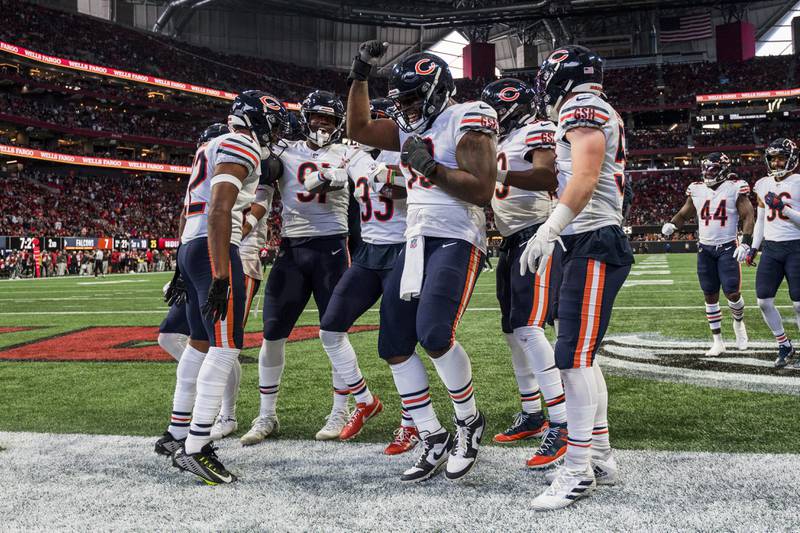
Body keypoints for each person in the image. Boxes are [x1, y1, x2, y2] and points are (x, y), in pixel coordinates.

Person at [346, 42, 497, 482]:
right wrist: (360, 72)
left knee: (434, 332)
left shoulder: (467, 116)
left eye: (414, 98)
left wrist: (431, 170)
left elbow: (482, 189)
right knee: (393, 344)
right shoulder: (403, 128)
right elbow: (357, 127)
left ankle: (468, 421)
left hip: (455, 235)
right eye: (402, 101)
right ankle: (431, 434)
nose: (407, 109)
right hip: (412, 240)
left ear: (437, 91)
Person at [520, 45, 634, 509]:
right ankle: (600, 455)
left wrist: (550, 228)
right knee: (583, 354)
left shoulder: (580, 106)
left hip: (592, 238)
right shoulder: (593, 106)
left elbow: (584, 177)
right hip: (588, 238)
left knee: (572, 356)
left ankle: (578, 468)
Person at [155, 91, 287, 485]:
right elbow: (218, 209)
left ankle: (176, 434)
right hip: (214, 245)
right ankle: (196, 446)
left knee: (198, 340)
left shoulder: (211, 144)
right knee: (225, 345)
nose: (274, 132)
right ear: (257, 119)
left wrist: (182, 265)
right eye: (273, 122)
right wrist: (219, 273)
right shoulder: (240, 143)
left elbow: (187, 210)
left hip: (192, 245)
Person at [240, 90, 354, 446]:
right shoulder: (284, 150)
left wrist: (339, 176)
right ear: (305, 119)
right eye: (317, 117)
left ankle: (340, 411)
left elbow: (367, 178)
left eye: (330, 119)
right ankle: (266, 415)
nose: (323, 125)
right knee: (272, 333)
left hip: (333, 247)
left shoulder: (350, 150)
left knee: (335, 335)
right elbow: (262, 173)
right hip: (292, 249)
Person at [315, 97, 418, 454]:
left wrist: (375, 173)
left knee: (400, 343)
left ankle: (411, 421)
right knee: (330, 329)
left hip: (402, 249)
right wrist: (329, 177)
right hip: (367, 252)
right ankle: (364, 400)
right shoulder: (355, 153)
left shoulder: (405, 147)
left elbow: (411, 187)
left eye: (374, 119)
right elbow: (333, 178)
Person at [480, 77, 569, 469]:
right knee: (512, 328)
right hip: (511, 239)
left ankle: (563, 422)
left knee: (530, 326)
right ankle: (532, 411)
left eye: (496, 109)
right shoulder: (500, 142)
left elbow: (547, 176)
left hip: (538, 233)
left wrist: (496, 175)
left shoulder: (538, 129)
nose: (491, 117)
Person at [662, 152, 754, 355]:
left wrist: (746, 243)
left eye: (712, 169)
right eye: (705, 168)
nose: (707, 173)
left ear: (722, 169)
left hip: (728, 246)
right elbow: (685, 213)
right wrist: (672, 224)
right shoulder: (696, 189)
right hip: (705, 248)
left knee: (732, 293)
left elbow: (748, 215)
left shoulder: (734, 187)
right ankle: (718, 341)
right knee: (709, 294)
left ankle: (738, 323)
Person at [751, 138, 800, 368]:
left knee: (799, 304)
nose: (777, 162)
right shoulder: (762, 184)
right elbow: (760, 219)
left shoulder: (799, 182)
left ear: (791, 158)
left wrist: (783, 208)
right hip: (771, 248)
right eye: (773, 158)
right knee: (763, 301)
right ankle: (784, 344)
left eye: (780, 157)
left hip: (796, 246)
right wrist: (753, 246)